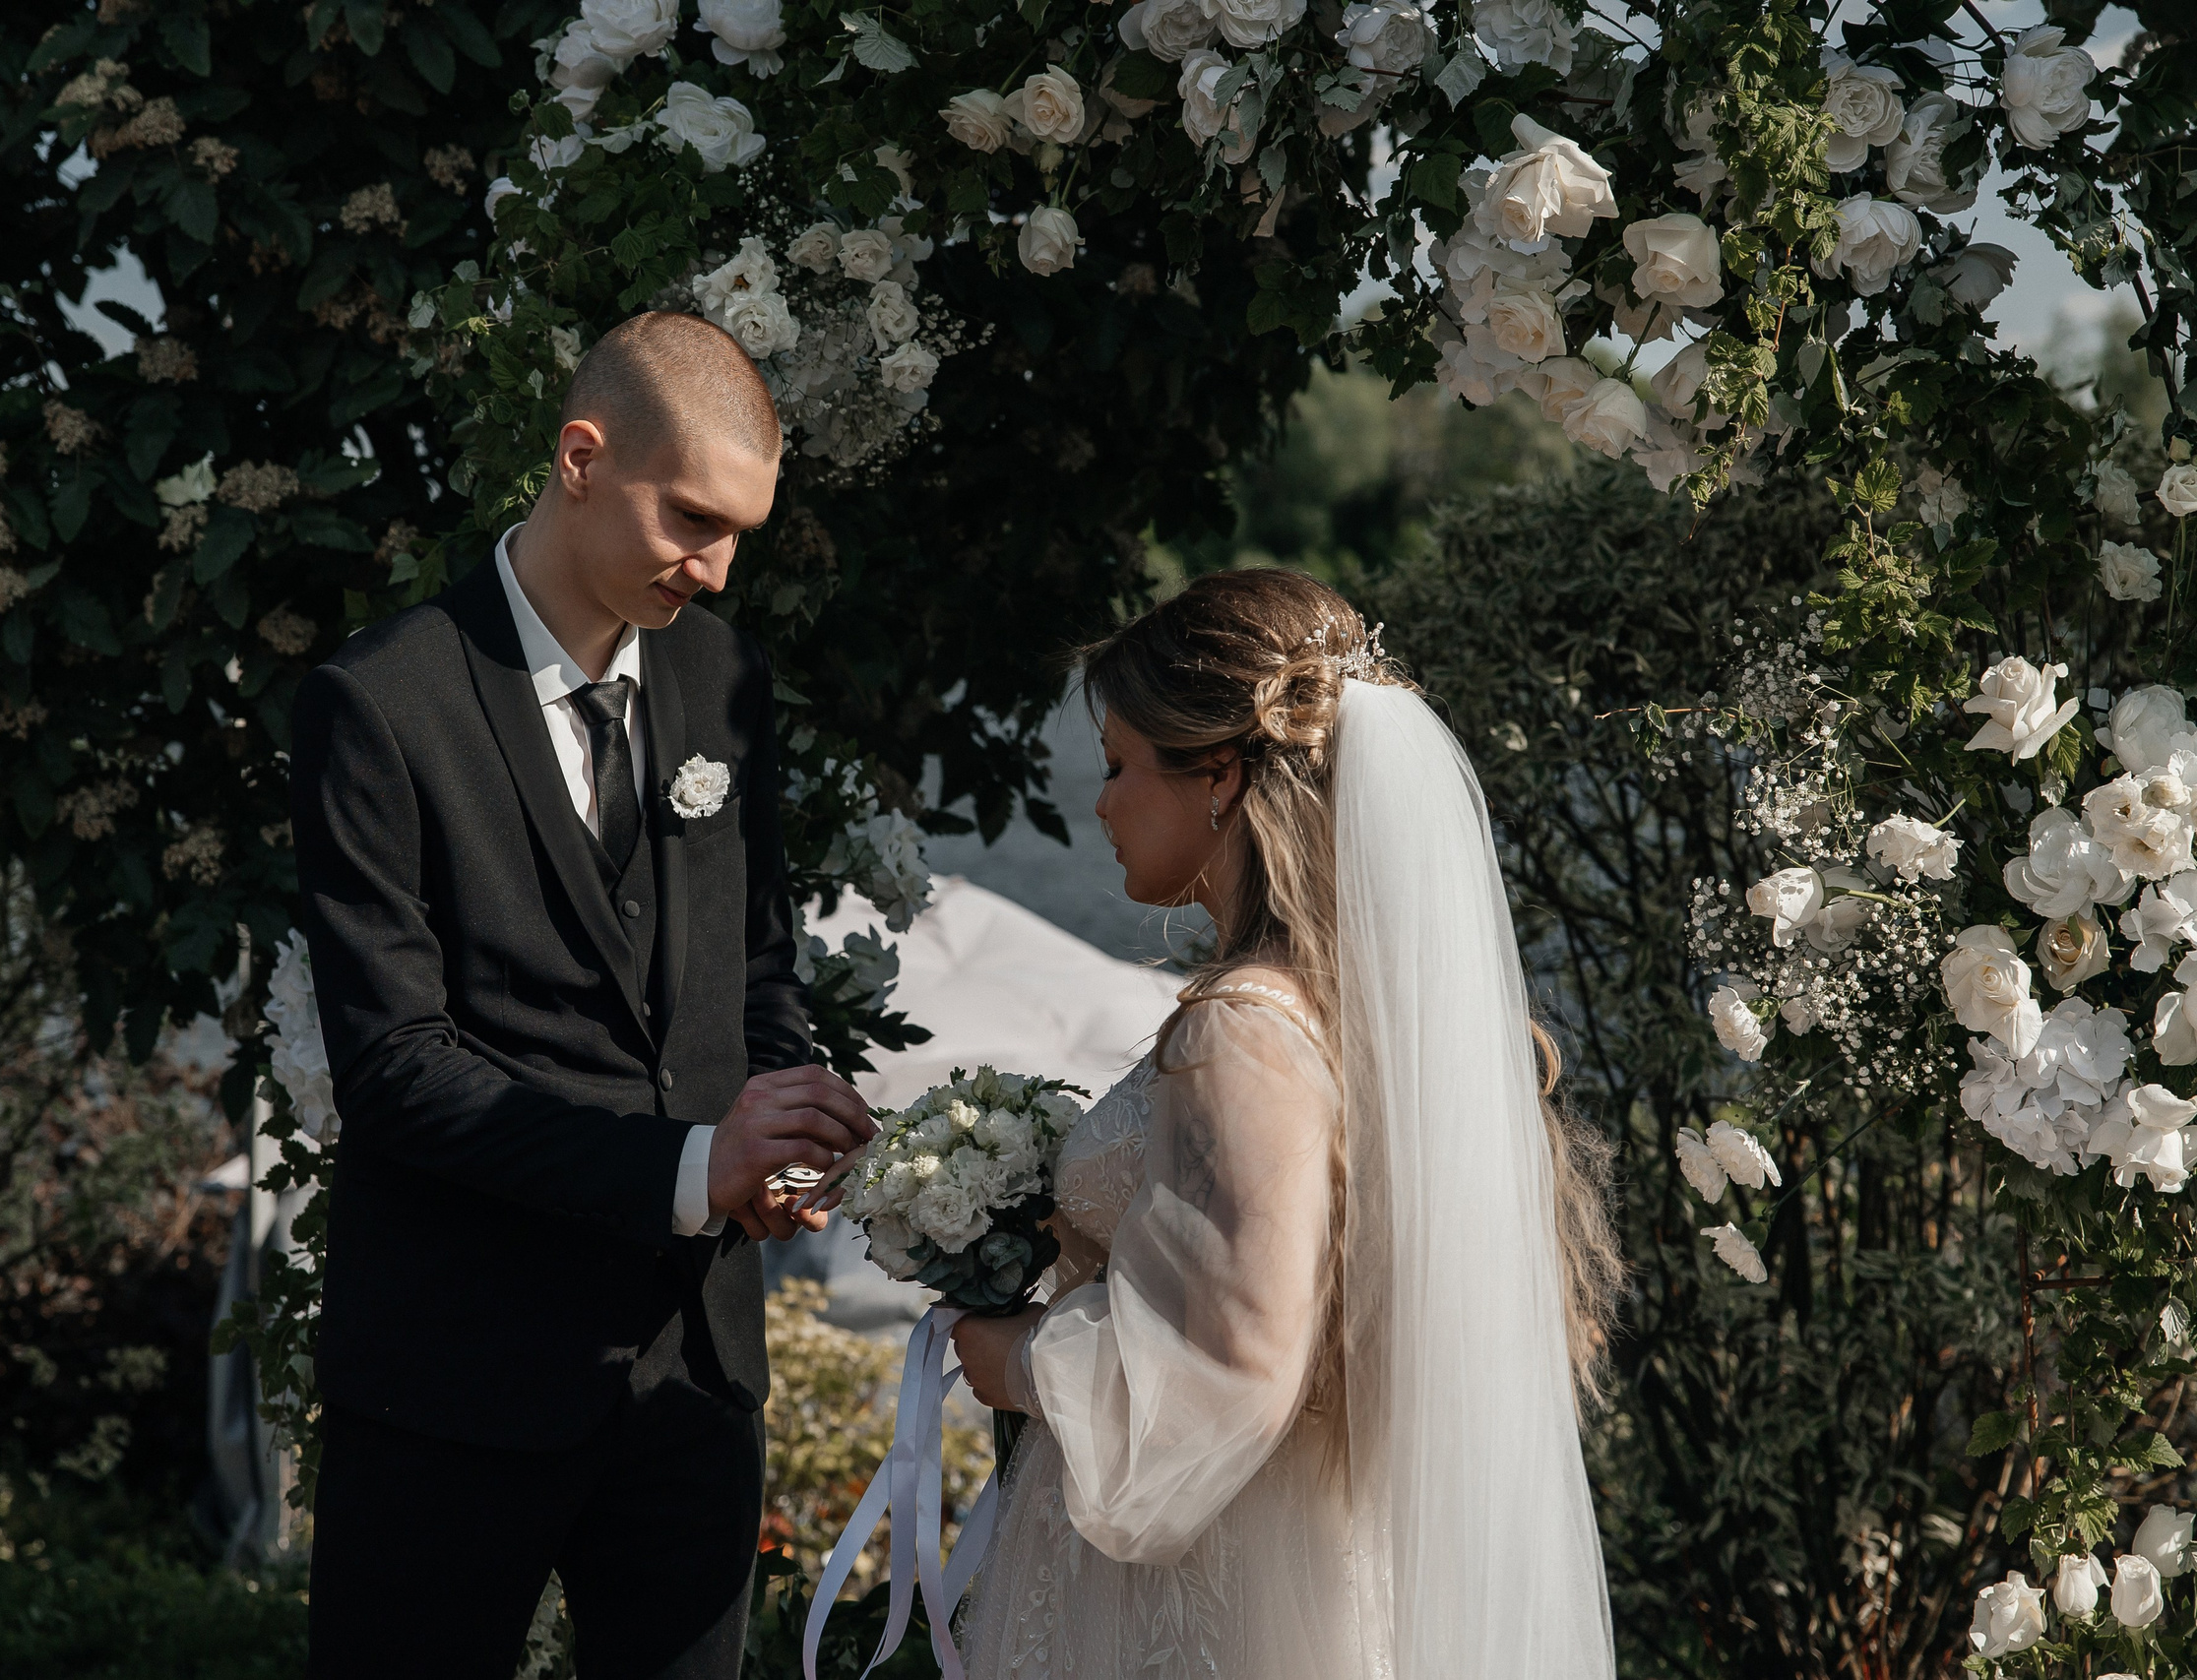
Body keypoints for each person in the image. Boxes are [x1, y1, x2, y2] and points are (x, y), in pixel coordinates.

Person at [289, 311, 879, 1679]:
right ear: (579, 458)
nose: (715, 566)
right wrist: (686, 1166)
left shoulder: (722, 679)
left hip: (692, 1372)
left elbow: (757, 970)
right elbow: (396, 1067)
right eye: (693, 518)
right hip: (453, 1378)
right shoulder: (379, 703)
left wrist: (784, 1133)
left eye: (739, 533)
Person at [945, 569, 1622, 1677]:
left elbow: (1235, 1366)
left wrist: (1017, 1359)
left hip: (1211, 1591)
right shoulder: (1362, 1010)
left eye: (1117, 765)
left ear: (1217, 774)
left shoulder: (1245, 1027)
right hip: (1308, 1546)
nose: (1101, 804)